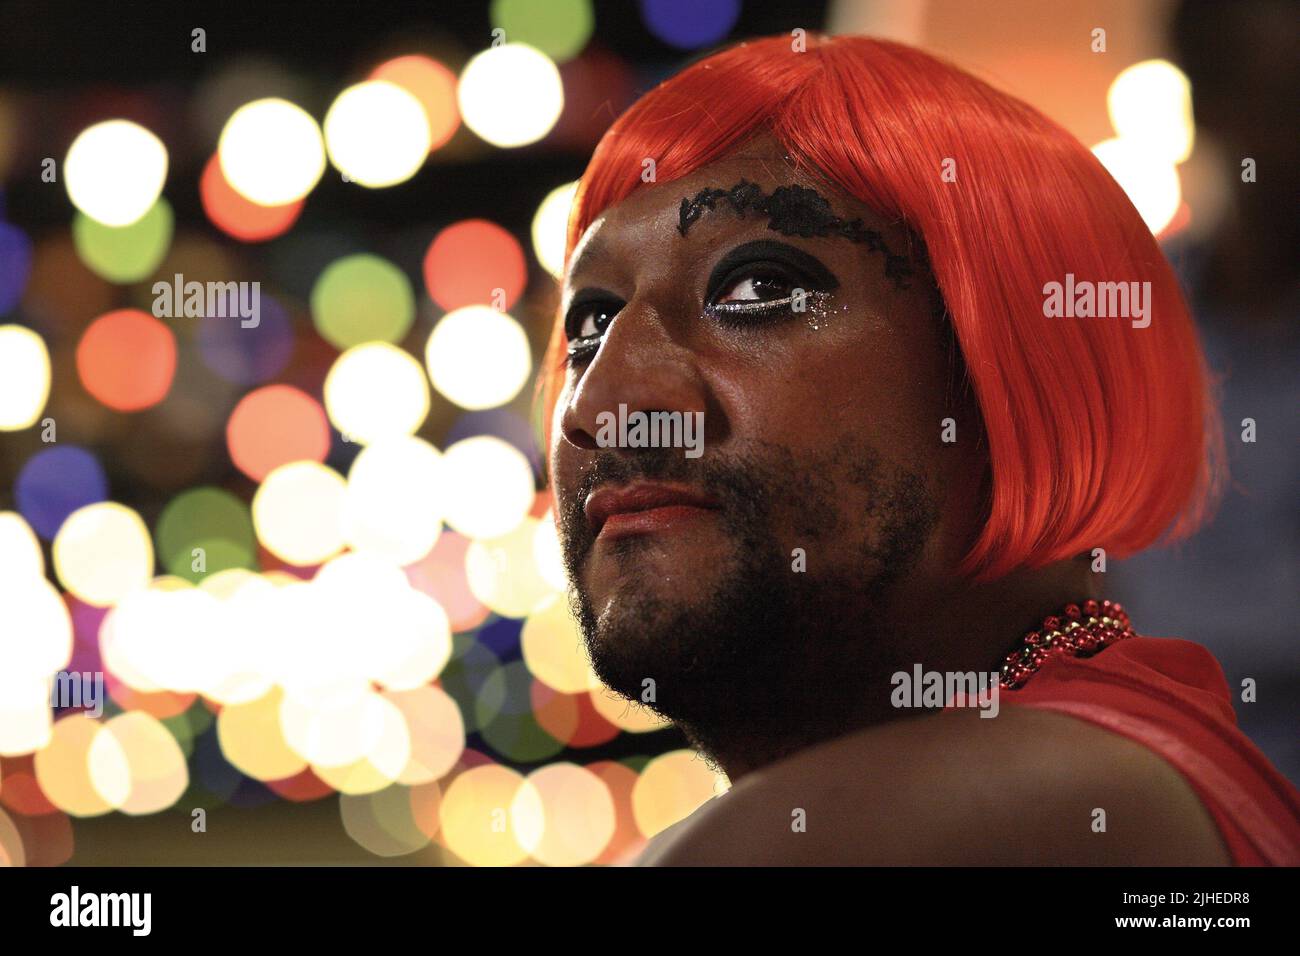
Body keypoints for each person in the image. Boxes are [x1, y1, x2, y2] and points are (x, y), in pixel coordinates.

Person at [538, 33, 1300, 865]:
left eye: (757, 287)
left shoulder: (1039, 808)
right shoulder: (1139, 764)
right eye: (590, 326)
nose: (601, 404)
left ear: (1014, 377)